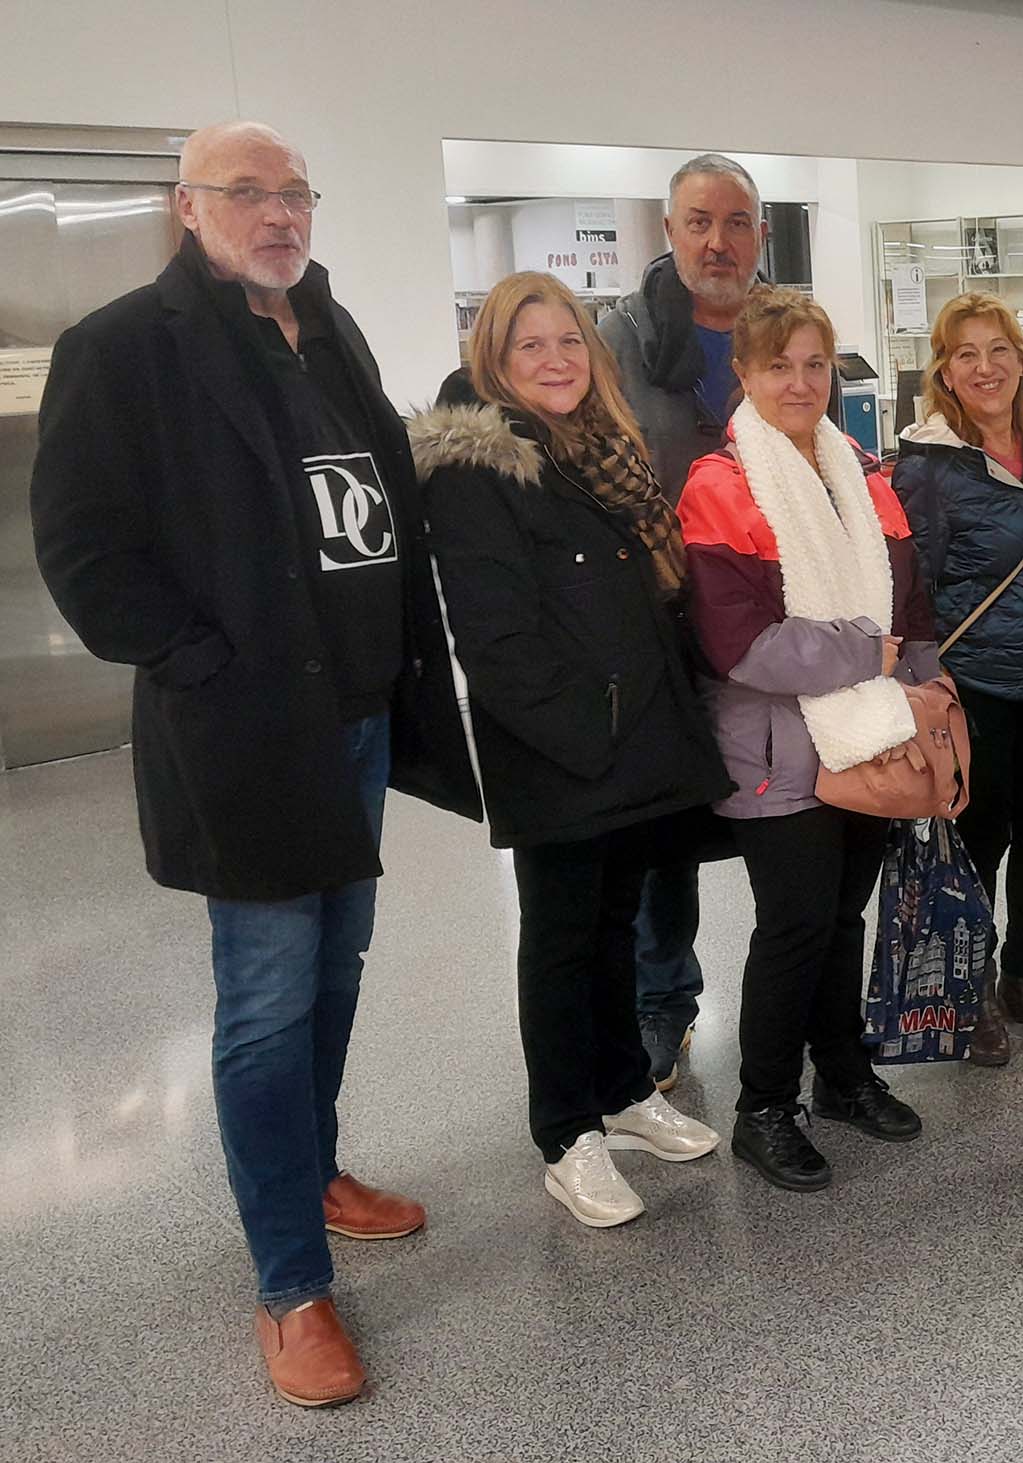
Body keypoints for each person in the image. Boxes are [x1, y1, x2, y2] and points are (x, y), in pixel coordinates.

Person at [30, 122, 481, 1408]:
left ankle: (313, 1168)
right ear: (188, 206)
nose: (278, 214)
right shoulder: (124, 346)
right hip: (248, 727)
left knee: (336, 969)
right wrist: (202, 658)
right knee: (270, 996)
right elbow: (82, 548)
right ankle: (290, 1282)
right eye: (246, 192)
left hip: (359, 718)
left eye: (294, 193)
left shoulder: (328, 329)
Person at [409, 271, 729, 1227]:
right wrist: (586, 734)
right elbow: (495, 638)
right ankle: (565, 1132)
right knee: (559, 941)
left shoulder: (595, 445)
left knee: (614, 923)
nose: (555, 361)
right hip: (564, 747)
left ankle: (623, 1089)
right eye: (530, 346)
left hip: (633, 735)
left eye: (569, 342)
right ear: (494, 360)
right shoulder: (479, 467)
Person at [677, 287, 936, 1191]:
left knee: (842, 915)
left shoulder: (860, 471)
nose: (799, 382)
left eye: (814, 364)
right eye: (778, 365)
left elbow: (910, 598)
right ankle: (763, 1105)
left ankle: (842, 1073)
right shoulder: (719, 485)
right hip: (776, 750)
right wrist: (870, 651)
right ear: (744, 373)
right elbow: (738, 643)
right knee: (794, 924)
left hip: (869, 733)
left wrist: (925, 683)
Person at [598, 154, 769, 1092]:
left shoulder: (787, 329)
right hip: (662, 621)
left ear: (760, 235)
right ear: (670, 233)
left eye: (736, 222)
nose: (718, 241)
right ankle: (664, 1000)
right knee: (665, 831)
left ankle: (800, 997)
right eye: (699, 222)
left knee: (790, 812)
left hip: (772, 618)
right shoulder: (619, 339)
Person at [893, 292, 1023, 1067]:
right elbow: (914, 586)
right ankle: (969, 987)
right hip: (976, 682)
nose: (986, 367)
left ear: (1021, 358)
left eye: (999, 349)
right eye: (966, 354)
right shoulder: (929, 464)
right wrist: (929, 684)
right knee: (982, 837)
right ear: (944, 371)